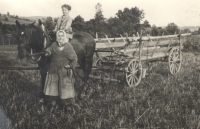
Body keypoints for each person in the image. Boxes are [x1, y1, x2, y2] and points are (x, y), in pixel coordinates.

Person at [44, 30, 77, 106]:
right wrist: (47, 53)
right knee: (53, 88)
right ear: (57, 37)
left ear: (64, 37)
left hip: (64, 71)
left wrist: (71, 66)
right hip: (53, 70)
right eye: (59, 36)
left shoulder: (68, 46)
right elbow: (47, 50)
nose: (60, 37)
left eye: (62, 35)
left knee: (65, 89)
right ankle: (53, 104)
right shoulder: (53, 45)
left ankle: (66, 105)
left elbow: (74, 58)